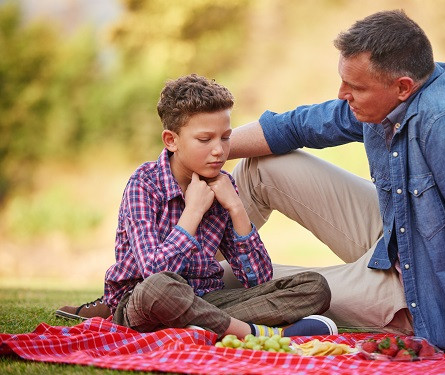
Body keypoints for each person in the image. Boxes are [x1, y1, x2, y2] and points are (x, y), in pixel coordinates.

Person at [220, 10, 445, 362]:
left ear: (402, 86)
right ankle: (175, 251)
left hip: (429, 297)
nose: (341, 94)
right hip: (398, 238)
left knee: (233, 281)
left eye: (354, 87)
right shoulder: (394, 98)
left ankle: (182, 278)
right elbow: (296, 126)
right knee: (263, 167)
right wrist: (197, 151)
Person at [56, 74, 337, 338]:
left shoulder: (224, 185)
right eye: (205, 139)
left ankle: (199, 326)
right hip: (145, 300)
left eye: (225, 137)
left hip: (208, 299)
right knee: (160, 289)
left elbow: (259, 279)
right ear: (171, 140)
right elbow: (154, 273)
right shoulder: (144, 184)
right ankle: (255, 333)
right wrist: (193, 212)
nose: (219, 150)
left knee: (314, 288)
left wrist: (237, 208)